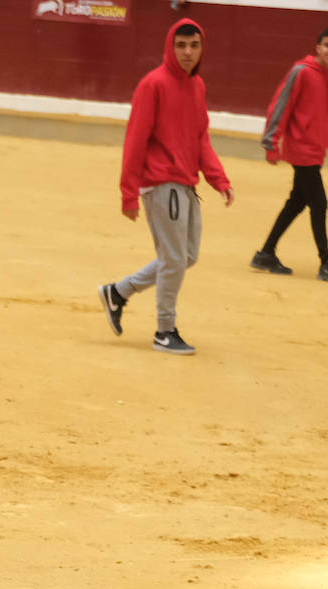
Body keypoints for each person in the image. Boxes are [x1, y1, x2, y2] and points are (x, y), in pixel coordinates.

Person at [97, 18, 234, 356]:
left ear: (202, 49)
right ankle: (164, 331)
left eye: (194, 46)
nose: (187, 53)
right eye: (181, 46)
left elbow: (200, 138)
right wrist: (128, 192)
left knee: (185, 257)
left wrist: (218, 178)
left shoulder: (197, 86)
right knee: (174, 258)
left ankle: (118, 292)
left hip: (186, 184)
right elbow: (136, 140)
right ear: (170, 48)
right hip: (161, 184)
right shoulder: (152, 85)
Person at [250, 27, 328, 284]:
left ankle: (266, 253)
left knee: (297, 202)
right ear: (317, 48)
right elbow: (280, 105)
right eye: (327, 45)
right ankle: (326, 262)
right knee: (320, 203)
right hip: (300, 149)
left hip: (316, 150)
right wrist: (271, 142)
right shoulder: (301, 72)